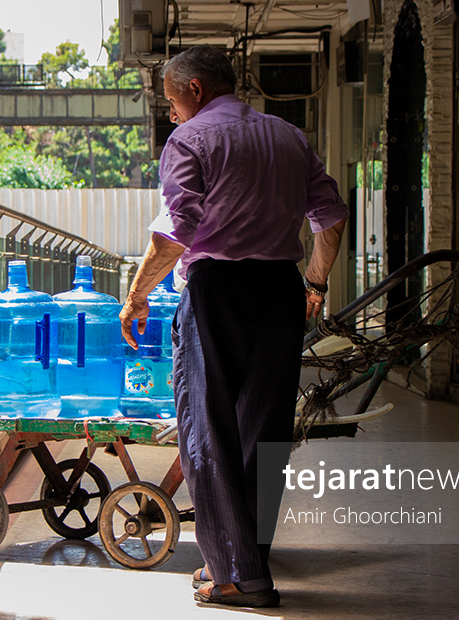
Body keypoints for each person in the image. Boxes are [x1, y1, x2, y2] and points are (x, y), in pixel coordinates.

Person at [119, 45, 348, 608]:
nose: (170, 113)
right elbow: (332, 216)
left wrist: (136, 294)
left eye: (171, 100)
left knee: (207, 430)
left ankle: (239, 579)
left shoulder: (191, 139)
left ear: (195, 89)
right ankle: (245, 562)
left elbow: (176, 232)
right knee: (263, 432)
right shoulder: (288, 136)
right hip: (278, 291)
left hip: (217, 292)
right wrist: (313, 285)